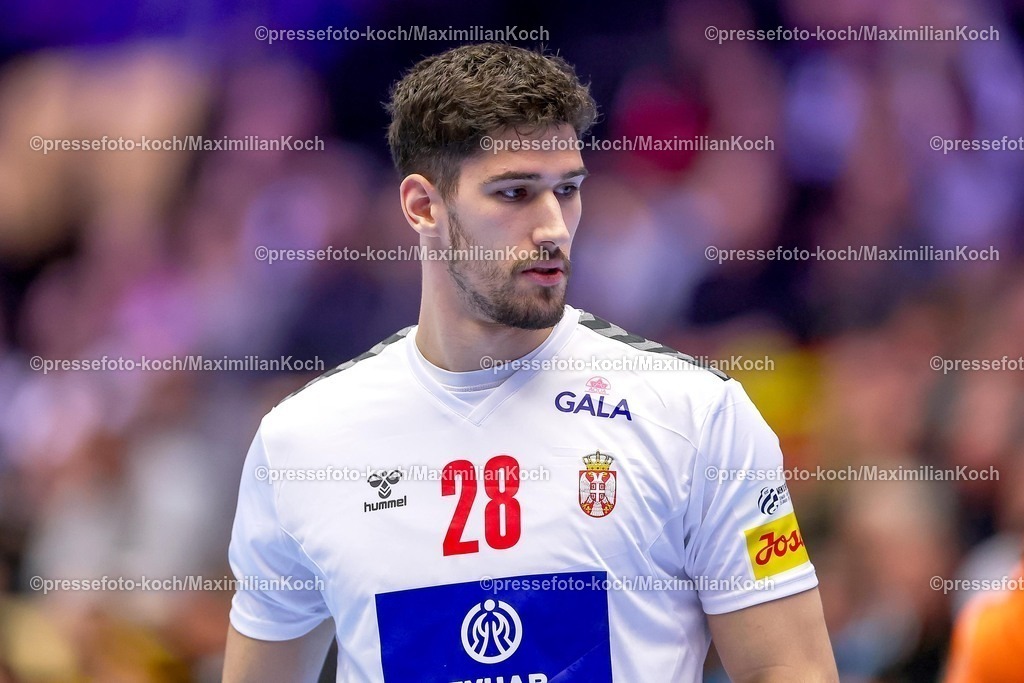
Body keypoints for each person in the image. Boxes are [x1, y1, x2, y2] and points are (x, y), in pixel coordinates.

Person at [222, 43, 838, 682]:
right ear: (423, 207)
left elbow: (792, 669)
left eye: (566, 191)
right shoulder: (303, 444)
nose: (553, 226)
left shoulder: (694, 417)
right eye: (515, 193)